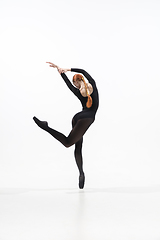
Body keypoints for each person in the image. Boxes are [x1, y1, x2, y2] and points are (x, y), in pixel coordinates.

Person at [33, 62, 99, 189]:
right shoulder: (93, 86)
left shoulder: (78, 92)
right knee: (68, 143)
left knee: (78, 146)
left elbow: (68, 84)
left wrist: (61, 71)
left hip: (77, 118)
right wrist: (68, 69)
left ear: (77, 84)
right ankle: (46, 127)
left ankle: (81, 174)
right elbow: (84, 71)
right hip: (86, 120)